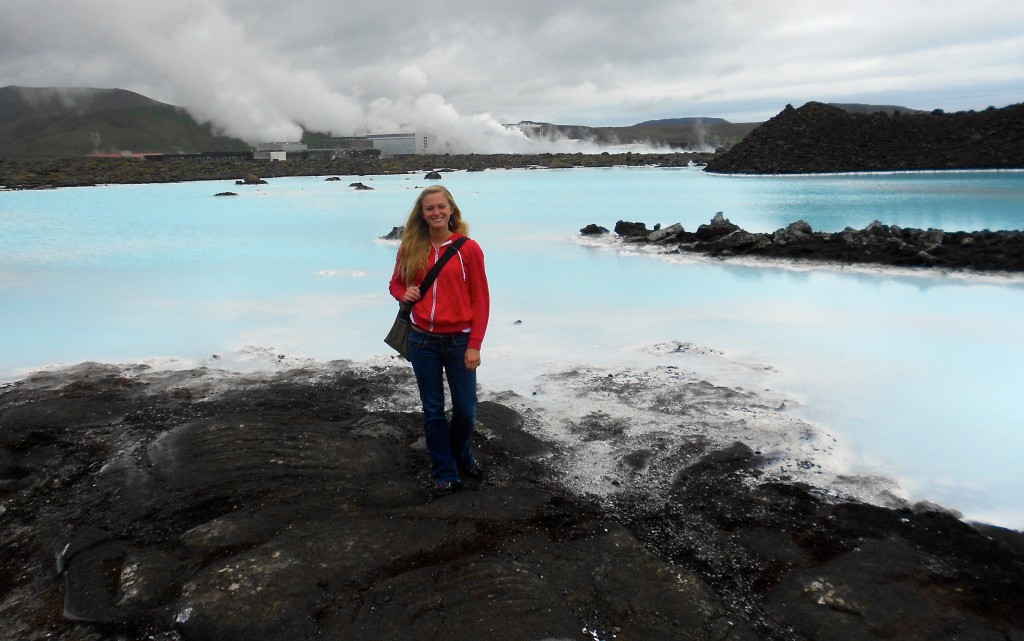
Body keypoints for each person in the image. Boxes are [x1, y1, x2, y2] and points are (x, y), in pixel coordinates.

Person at [389, 185, 490, 498]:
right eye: (429, 208)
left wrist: (475, 344)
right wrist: (402, 294)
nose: (435, 212)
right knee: (433, 410)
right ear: (422, 214)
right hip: (422, 341)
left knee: (466, 410)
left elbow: (482, 300)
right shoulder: (411, 247)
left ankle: (462, 453)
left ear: (451, 210)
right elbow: (396, 284)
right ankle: (444, 471)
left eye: (440, 207)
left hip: (459, 341)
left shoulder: (468, 249)